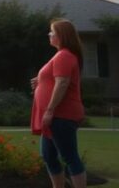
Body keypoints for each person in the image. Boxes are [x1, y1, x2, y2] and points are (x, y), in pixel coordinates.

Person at [31, 18, 87, 188]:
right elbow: (56, 80)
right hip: (54, 116)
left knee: (70, 157)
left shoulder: (64, 55)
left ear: (61, 36)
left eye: (52, 32)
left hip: (61, 115)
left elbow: (62, 83)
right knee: (48, 155)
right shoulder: (60, 55)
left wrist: (49, 110)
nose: (49, 35)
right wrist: (40, 81)